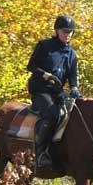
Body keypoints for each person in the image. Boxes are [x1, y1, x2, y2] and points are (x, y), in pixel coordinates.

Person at [27, 14, 82, 169]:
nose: (68, 34)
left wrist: (74, 88)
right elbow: (31, 66)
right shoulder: (45, 46)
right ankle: (40, 153)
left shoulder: (72, 54)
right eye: (65, 31)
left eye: (70, 32)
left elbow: (72, 76)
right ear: (57, 30)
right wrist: (46, 75)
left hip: (57, 91)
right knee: (52, 114)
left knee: (77, 111)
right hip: (41, 89)